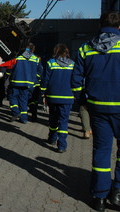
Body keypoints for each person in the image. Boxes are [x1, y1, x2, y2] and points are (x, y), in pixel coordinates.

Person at [72, 11, 120, 211]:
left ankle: (99, 198)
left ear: (100, 26)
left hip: (97, 107)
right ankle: (117, 193)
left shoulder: (86, 47)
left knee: (101, 151)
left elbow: (76, 79)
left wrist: (82, 100)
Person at [41, 43, 75, 153]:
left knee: (53, 119)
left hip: (53, 96)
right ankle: (62, 145)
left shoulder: (51, 63)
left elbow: (46, 79)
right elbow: (76, 80)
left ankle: (52, 138)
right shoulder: (72, 64)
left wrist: (42, 91)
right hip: (67, 97)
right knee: (64, 121)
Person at [6, 43, 42, 123]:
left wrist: (6, 76)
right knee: (23, 100)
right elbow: (39, 70)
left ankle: (16, 112)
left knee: (12, 97)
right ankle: (24, 118)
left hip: (16, 81)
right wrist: (34, 79)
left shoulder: (18, 56)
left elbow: (10, 68)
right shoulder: (35, 58)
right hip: (28, 83)